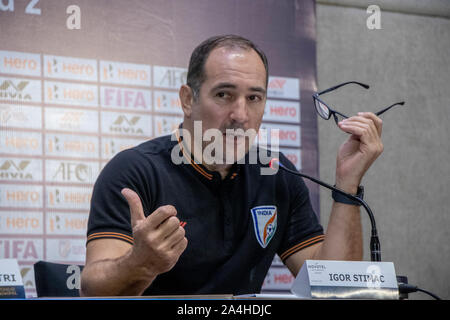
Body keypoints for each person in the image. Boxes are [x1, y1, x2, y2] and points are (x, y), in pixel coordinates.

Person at [80, 35, 383, 296]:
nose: (241, 114)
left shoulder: (276, 173)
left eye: (254, 97)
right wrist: (140, 261)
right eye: (224, 95)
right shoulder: (134, 170)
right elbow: (92, 292)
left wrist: (347, 185)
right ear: (188, 99)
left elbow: (334, 288)